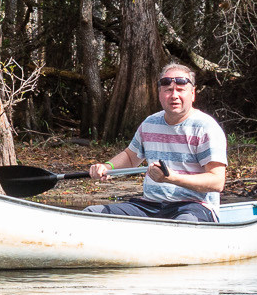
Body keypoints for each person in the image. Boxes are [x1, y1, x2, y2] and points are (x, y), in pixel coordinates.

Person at [84, 63, 228, 222]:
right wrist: (107, 167)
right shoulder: (149, 123)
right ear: (160, 93)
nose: (174, 95)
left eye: (180, 90)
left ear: (192, 94)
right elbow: (131, 157)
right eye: (168, 90)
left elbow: (217, 181)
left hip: (194, 206)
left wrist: (171, 178)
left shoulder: (206, 128)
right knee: (91, 213)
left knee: (183, 224)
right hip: (149, 205)